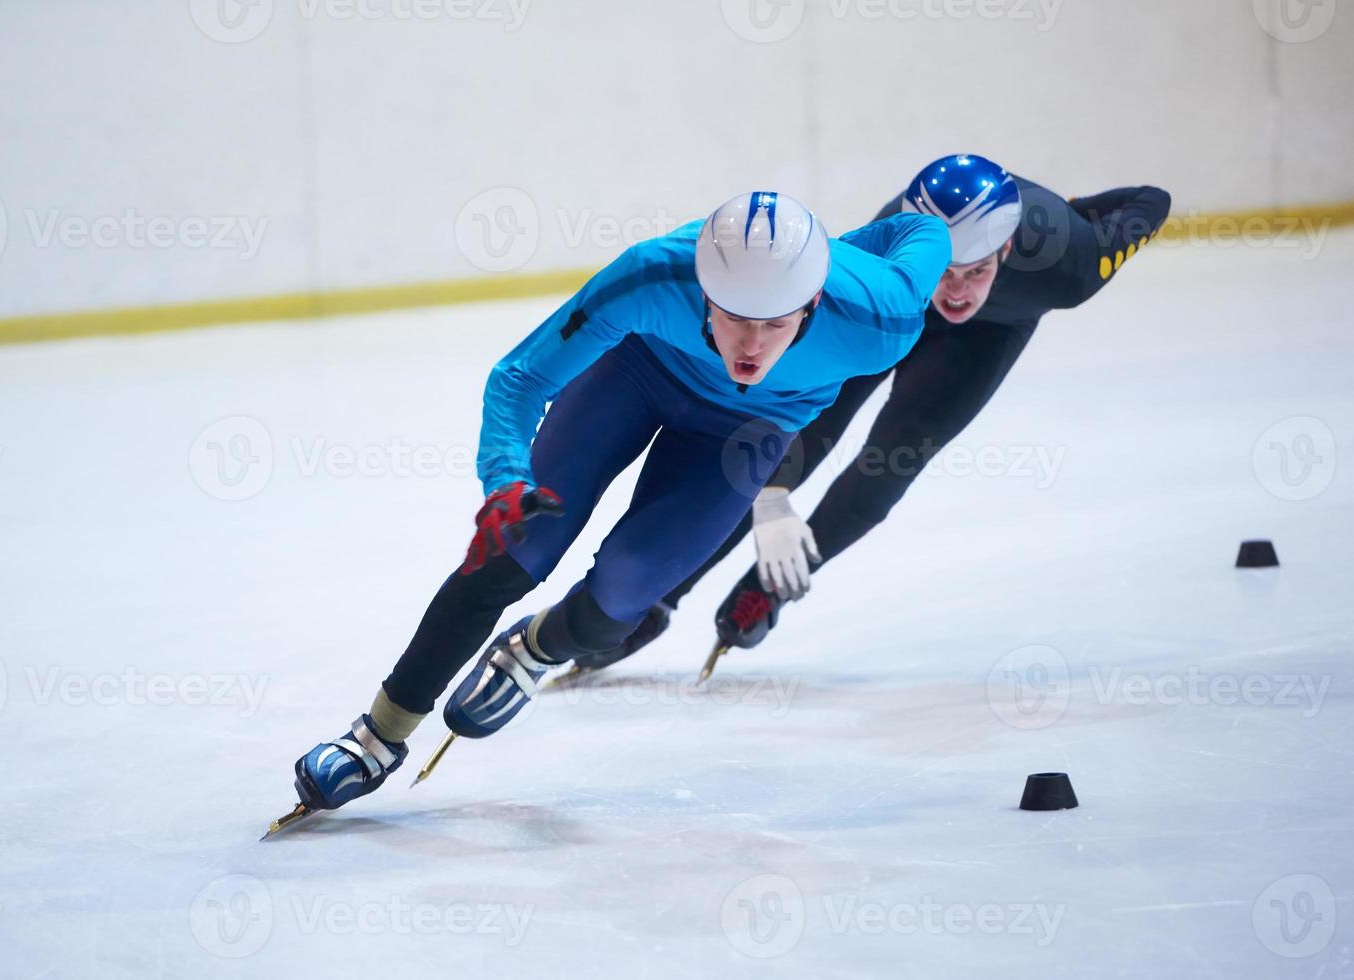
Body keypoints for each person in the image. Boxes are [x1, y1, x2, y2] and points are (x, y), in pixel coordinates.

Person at [280, 191, 952, 819]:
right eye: (729, 318)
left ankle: (534, 649)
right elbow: (520, 376)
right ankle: (376, 737)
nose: (748, 348)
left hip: (749, 431)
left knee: (620, 603)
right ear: (701, 290)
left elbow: (920, 228)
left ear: (809, 306)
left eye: (774, 325)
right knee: (513, 550)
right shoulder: (652, 275)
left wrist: (845, 249)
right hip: (638, 375)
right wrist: (503, 478)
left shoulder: (880, 314)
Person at [567, 155, 1172, 674]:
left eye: (978, 272)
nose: (957, 292)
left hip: (989, 335)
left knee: (893, 459)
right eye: (946, 272)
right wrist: (771, 498)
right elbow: (791, 386)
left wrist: (1063, 212)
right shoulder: (878, 257)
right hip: (895, 306)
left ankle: (772, 587)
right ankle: (659, 597)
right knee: (801, 444)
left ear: (1008, 248)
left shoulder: (1070, 266)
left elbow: (1152, 200)